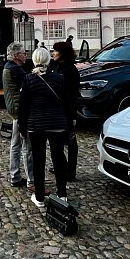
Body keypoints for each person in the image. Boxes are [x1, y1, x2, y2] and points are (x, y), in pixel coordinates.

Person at [18, 46, 70, 208]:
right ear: (48, 60)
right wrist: (69, 124)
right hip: (57, 123)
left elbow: (23, 106)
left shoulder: (28, 79)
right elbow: (67, 103)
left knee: (38, 160)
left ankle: (39, 197)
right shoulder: (59, 78)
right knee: (59, 158)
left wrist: (22, 127)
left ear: (34, 60)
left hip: (36, 124)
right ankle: (62, 194)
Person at [3, 41, 33, 191]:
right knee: (27, 146)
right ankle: (31, 180)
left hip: (14, 108)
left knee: (15, 144)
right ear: (16, 55)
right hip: (20, 110)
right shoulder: (15, 69)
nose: (25, 55)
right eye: (23, 53)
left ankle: (15, 175)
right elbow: (30, 84)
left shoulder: (9, 67)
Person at [50, 41, 80, 181]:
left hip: (67, 109)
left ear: (62, 53)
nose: (53, 53)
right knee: (59, 141)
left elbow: (73, 94)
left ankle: (71, 171)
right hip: (58, 108)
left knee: (71, 141)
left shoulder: (70, 70)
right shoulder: (57, 66)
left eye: (55, 51)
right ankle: (61, 165)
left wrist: (73, 114)